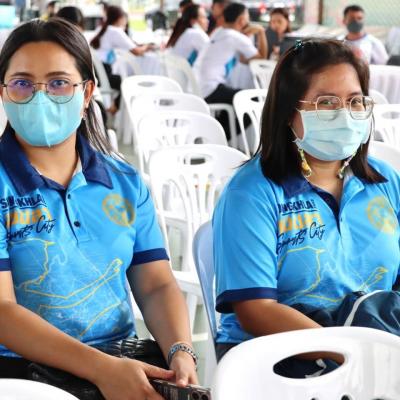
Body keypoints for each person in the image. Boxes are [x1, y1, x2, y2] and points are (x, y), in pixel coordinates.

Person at [0, 17, 198, 399]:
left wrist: (180, 351)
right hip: (22, 375)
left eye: (58, 83)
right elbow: (2, 312)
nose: (41, 97)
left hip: (120, 361)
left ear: (87, 92)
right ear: (4, 93)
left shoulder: (123, 182)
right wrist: (101, 370)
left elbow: (155, 284)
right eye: (22, 83)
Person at [213, 39, 400, 377]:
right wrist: (353, 356)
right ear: (289, 112)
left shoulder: (385, 180)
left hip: (376, 349)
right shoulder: (251, 193)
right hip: (274, 359)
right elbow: (256, 309)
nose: (344, 114)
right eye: (326, 103)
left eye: (355, 101)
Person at [194, 2, 266, 138]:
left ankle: (218, 136)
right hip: (211, 89)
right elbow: (261, 58)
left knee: (235, 100)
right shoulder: (235, 36)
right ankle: (221, 138)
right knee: (253, 100)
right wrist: (261, 32)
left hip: (201, 88)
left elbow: (244, 59)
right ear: (242, 20)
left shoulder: (219, 31)